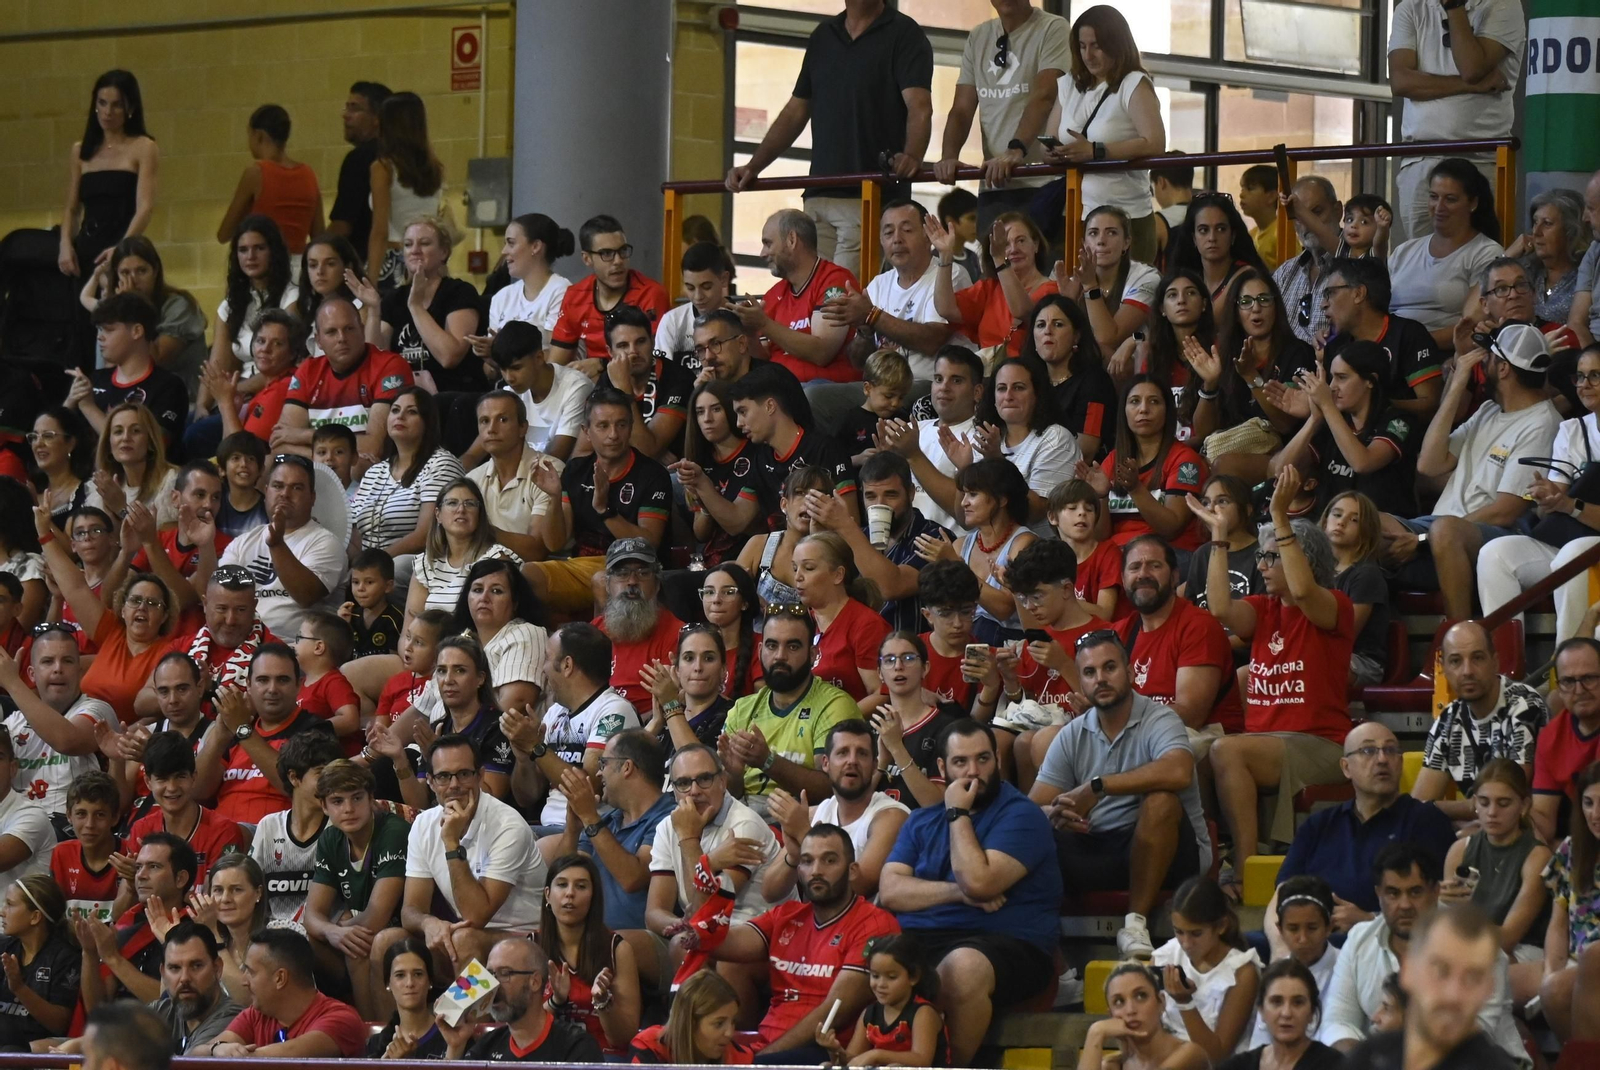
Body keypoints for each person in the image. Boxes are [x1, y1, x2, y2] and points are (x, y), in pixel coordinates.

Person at [1196, 467, 1356, 883]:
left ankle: (1246, 867)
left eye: (1273, 557)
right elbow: (1219, 609)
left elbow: (1303, 591)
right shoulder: (1264, 608)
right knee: (1191, 754)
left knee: (1226, 750)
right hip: (1269, 744)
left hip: (1320, 744)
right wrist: (1218, 537)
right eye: (1262, 557)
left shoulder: (1334, 605)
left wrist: (1280, 516)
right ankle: (1217, 855)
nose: (1263, 566)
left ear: (1303, 560)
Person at [878, 719, 1063, 1064]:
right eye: (961, 762)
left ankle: (950, 1066)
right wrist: (958, 893)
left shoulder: (1022, 815)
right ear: (942, 768)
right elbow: (890, 890)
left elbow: (979, 882)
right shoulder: (921, 820)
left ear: (998, 759)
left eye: (983, 759)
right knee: (866, 957)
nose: (974, 771)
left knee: (962, 967)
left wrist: (957, 813)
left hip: (1007, 942)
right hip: (924, 937)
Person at [1031, 632, 1209, 960]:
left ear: (1129, 673)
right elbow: (1030, 808)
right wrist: (1052, 813)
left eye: (1109, 667)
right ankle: (1050, 959)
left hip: (1167, 852)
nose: (1100, 678)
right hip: (1098, 847)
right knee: (1031, 830)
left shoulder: (1160, 718)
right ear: (1081, 683)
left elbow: (1179, 771)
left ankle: (1135, 925)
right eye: (1089, 672)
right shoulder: (1072, 733)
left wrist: (1097, 786)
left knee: (1161, 801)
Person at [725, 0, 932, 281]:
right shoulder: (824, 36)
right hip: (819, 195)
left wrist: (912, 156)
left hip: (868, 196)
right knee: (814, 293)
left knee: (842, 295)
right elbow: (796, 110)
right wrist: (754, 166)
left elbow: (919, 106)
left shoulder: (904, 34)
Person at [1385, 325, 1561, 622]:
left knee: (1445, 531)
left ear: (1503, 369)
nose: (1481, 363)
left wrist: (1424, 540)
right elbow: (1428, 464)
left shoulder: (1542, 422)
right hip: (1438, 528)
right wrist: (1456, 387)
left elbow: (1505, 511)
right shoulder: (1488, 410)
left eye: (1488, 357)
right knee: (1362, 522)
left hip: (1490, 536)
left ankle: (1460, 637)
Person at [708, 823, 899, 1059]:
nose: (816, 871)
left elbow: (835, 1013)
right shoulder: (786, 915)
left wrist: (760, 1062)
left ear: (852, 871)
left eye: (829, 861)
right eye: (807, 861)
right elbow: (715, 943)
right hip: (765, 1047)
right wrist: (707, 869)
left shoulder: (875, 924)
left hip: (823, 1051)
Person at [1320, 842, 1521, 1062]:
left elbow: (1469, 1035)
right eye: (1393, 893)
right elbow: (1337, 1022)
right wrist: (1364, 1062)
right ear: (1379, 894)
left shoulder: (1474, 946)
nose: (1405, 905)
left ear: (1435, 891)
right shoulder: (1360, 939)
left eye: (1415, 892)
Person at [1268, 721, 1455, 940]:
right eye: (1368, 751)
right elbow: (1283, 894)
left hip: (1387, 941)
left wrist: (1369, 921)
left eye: (1390, 750)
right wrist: (1280, 948)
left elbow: (1441, 906)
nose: (1382, 759)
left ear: (1400, 763)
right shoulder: (1318, 824)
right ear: (1346, 767)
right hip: (1311, 941)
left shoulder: (1426, 821)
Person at [1476, 342, 1600, 643]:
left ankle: (1567, 663)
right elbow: (1553, 509)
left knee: (1574, 554)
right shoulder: (1572, 430)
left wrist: (1570, 505)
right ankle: (1505, 663)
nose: (1584, 384)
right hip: (1572, 542)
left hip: (1581, 550)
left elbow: (1570, 505)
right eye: (1580, 376)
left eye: (1595, 376)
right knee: (1496, 552)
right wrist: (1547, 498)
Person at [390, 733, 546, 971]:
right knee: (387, 941)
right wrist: (428, 923)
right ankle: (435, 998)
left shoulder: (508, 825)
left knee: (464, 940)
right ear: (430, 782)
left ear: (480, 775)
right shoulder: (423, 825)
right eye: (443, 776)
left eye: (463, 774)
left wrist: (451, 843)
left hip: (527, 938)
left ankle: (464, 999)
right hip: (468, 934)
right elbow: (411, 909)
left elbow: (476, 915)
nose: (454, 785)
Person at [1387, 2, 1525, 243]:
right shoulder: (1410, 7)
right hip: (1420, 159)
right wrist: (1470, 86)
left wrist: (1454, 7)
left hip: (1482, 160)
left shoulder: (1503, 4)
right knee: (1421, 259)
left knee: (1483, 258)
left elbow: (1471, 68)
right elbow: (1400, 82)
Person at [525, 388, 671, 614]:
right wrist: (553, 497)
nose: (613, 434)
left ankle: (599, 637)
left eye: (621, 425)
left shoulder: (652, 475)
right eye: (603, 426)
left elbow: (649, 545)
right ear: (587, 431)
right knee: (527, 574)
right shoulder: (575, 470)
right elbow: (554, 543)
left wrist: (605, 510)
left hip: (632, 568)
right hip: (581, 566)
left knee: (601, 580)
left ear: (631, 427)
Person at [538, 730, 674, 971]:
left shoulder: (668, 818)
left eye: (603, 763)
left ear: (627, 767)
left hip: (650, 941)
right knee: (518, 953)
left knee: (603, 945)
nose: (599, 773)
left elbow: (633, 878)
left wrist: (590, 817)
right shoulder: (608, 821)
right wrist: (573, 828)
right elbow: (563, 876)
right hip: (594, 939)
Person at [38, 505, 182, 728]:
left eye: (153, 603)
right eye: (135, 600)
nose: (142, 607)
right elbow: (75, 588)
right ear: (122, 610)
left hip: (119, 738)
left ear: (164, 616)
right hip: (77, 721)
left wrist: (124, 736)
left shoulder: (167, 654)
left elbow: (162, 711)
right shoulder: (111, 631)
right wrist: (45, 535)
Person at [938, 1, 1071, 233]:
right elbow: (961, 109)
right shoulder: (979, 36)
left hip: (1043, 180)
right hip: (994, 184)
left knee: (1043, 256)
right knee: (993, 256)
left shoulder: (1053, 28)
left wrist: (1016, 150)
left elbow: (1044, 95)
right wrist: (948, 157)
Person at [719, 606, 862, 818]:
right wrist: (734, 775)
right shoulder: (742, 709)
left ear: (812, 655)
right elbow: (727, 793)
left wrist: (767, 761)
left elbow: (834, 788)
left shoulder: (834, 705)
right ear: (760, 651)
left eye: (793, 646)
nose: (780, 656)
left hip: (804, 820)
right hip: (742, 816)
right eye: (772, 645)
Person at [1343, 904, 1520, 1070]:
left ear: (1489, 989)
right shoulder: (1370, 1057)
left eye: (1473, 978)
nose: (1453, 994)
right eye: (1441, 972)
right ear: (1407, 971)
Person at [1052, 8, 1166, 262]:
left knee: (1128, 285)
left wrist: (1095, 151)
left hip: (1126, 215)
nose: (1088, 55)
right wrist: (1055, 153)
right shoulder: (1070, 84)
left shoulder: (1133, 83)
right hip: (1077, 213)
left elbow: (1156, 143)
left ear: (1116, 44)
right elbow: (1049, 137)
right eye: (1082, 46)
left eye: (1096, 46)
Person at [1114, 534, 1242, 747]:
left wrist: (1118, 718)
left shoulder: (1198, 626)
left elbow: (1190, 715)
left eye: (1154, 566)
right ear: (1123, 578)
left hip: (1202, 739)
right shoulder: (1120, 632)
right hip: (1139, 734)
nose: (1143, 574)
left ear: (1175, 577)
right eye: (1134, 567)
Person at [762, 719, 910, 901]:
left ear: (874, 766)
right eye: (842, 752)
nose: (852, 760)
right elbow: (769, 892)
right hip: (815, 918)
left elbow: (860, 887)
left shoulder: (891, 816)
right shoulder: (816, 814)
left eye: (862, 754)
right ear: (826, 763)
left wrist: (804, 837)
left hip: (864, 919)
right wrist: (793, 857)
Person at [824, 200, 966, 389]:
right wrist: (864, 330)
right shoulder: (878, 284)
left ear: (928, 237)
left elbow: (932, 341)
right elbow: (858, 362)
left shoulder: (950, 274)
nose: (897, 239)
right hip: (880, 389)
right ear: (882, 241)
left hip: (930, 386)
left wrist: (872, 315)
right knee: (816, 393)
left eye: (907, 230)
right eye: (888, 233)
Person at [191, 645, 338, 825]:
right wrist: (220, 736)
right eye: (262, 680)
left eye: (282, 680)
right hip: (222, 832)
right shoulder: (236, 728)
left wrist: (242, 729)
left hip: (274, 835)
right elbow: (197, 792)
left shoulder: (316, 729)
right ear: (248, 685)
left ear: (299, 685)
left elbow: (296, 787)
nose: (272, 689)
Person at [643, 743, 782, 933]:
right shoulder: (667, 827)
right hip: (700, 933)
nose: (694, 791)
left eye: (704, 779)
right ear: (673, 790)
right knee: (625, 941)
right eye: (683, 783)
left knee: (682, 944)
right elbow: (654, 913)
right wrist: (681, 927)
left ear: (723, 782)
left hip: (756, 931)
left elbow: (705, 909)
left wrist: (688, 838)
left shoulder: (744, 824)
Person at [1272, 342, 1418, 521]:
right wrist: (1314, 420)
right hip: (1330, 524)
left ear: (1370, 381)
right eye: (1331, 378)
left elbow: (1362, 463)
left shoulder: (1398, 420)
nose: (1332, 386)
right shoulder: (1332, 419)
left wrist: (1327, 405)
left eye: (1342, 377)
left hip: (1378, 524)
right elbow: (1281, 470)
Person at [1414, 622, 1546, 817]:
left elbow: (1504, 802)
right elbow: (1417, 808)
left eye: (1477, 658)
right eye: (1456, 661)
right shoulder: (1449, 719)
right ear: (1444, 668)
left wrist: (1446, 810)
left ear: (1495, 662)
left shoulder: (1523, 704)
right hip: (1481, 827)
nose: (1467, 671)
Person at [1439, 760, 1551, 979]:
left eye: (1503, 803)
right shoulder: (1459, 850)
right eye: (1484, 802)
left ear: (1524, 806)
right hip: (1470, 946)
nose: (1492, 812)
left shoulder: (1538, 857)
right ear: (1474, 803)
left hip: (1522, 953)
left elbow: (1507, 939)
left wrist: (1455, 925)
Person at [215, 455, 347, 638]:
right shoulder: (243, 542)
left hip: (293, 646)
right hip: (242, 641)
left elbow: (306, 596)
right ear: (266, 492)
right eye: (278, 486)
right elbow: (221, 593)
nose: (285, 494)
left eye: (297, 487)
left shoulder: (326, 543)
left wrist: (277, 545)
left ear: (312, 498)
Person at [0, 624, 116, 821]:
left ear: (80, 671)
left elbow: (67, 741)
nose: (58, 669)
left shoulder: (99, 711)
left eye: (67, 661)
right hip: (17, 826)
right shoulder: (13, 723)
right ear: (31, 674)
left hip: (74, 828)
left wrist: (12, 682)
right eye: (47, 661)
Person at [729, 209, 857, 386]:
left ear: (791, 240)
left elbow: (822, 353)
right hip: (779, 391)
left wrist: (764, 324)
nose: (762, 253)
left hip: (822, 389)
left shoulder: (835, 281)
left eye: (768, 243)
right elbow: (763, 362)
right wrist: (750, 334)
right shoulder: (773, 295)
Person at [194, 928, 367, 1058]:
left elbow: (287, 1057)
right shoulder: (256, 1015)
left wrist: (231, 1055)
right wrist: (216, 1048)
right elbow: (193, 1057)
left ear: (280, 978)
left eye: (251, 972)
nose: (244, 981)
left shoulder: (341, 1019)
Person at [1387, 160, 1506, 347]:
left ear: (1473, 203)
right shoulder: (1404, 251)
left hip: (1442, 353)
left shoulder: (1486, 252)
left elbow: (1474, 324)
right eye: (1434, 197)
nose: (1439, 206)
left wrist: (1412, 345)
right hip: (1391, 349)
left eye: (1450, 199)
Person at [274, 298, 413, 458]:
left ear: (362, 330)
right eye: (331, 332)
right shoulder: (308, 370)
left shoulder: (389, 366)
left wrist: (303, 435)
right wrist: (332, 458)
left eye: (349, 329)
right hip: (314, 470)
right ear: (318, 341)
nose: (342, 338)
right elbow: (280, 443)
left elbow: (374, 447)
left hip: (370, 472)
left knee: (358, 466)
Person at [58, 71, 157, 289]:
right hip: (86, 246)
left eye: (116, 105)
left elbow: (145, 207)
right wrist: (65, 245)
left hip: (122, 245)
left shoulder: (143, 147)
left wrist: (121, 249)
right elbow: (72, 208)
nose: (107, 112)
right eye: (102, 103)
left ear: (130, 108)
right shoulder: (80, 151)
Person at [920, 459, 1035, 645]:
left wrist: (958, 566)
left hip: (1009, 643)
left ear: (1002, 499)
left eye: (973, 494)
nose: (964, 503)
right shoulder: (959, 545)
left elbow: (1004, 609)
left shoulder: (1023, 543)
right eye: (964, 494)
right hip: (965, 638)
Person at [368, 218, 485, 399]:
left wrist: (416, 307)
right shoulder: (393, 299)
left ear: (443, 252)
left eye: (424, 243)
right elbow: (376, 361)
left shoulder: (459, 292)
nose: (415, 250)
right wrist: (373, 311)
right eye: (408, 244)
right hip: (404, 397)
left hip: (452, 395)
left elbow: (449, 356)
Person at [1311, 257, 1441, 420]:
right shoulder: (1333, 344)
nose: (1323, 304)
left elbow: (1431, 405)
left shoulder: (1408, 334)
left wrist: (1374, 404)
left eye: (1330, 293)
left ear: (1359, 293)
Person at [731, 363, 858, 529]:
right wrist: (702, 485)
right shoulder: (761, 459)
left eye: (743, 412)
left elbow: (851, 522)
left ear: (770, 406)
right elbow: (736, 521)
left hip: (822, 544)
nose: (739, 423)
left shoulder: (825, 450)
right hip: (781, 544)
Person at [1087, 375, 1207, 551]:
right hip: (1118, 554)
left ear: (1167, 411)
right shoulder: (1113, 459)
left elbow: (1171, 528)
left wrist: (1135, 488)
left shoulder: (1185, 460)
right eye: (1134, 401)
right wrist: (1101, 496)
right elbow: (1100, 537)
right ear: (1124, 411)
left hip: (1168, 554)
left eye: (1154, 401)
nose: (1143, 409)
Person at [537, 853, 642, 1054]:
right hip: (545, 1057)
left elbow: (624, 1038)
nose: (570, 893)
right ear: (547, 895)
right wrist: (556, 1002)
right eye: (562, 884)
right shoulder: (529, 947)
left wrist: (603, 1003)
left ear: (594, 897)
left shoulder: (618, 949)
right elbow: (519, 1028)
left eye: (581, 886)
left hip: (602, 1058)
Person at [1148, 877, 1260, 1061]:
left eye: (1196, 933)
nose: (1186, 943)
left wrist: (1185, 1003)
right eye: (1179, 931)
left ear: (1221, 926)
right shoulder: (1164, 957)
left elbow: (1215, 1057)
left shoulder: (1242, 973)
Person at [436, 938, 602, 1062]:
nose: (493, 985)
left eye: (505, 973)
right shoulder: (487, 1045)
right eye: (490, 975)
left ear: (535, 982)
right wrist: (455, 1047)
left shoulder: (576, 1046)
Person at [79, 237, 208, 395]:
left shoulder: (179, 306)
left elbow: (156, 361)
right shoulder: (114, 308)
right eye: (125, 273)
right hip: (128, 399)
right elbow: (109, 368)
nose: (133, 280)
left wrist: (132, 306)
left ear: (155, 271)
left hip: (179, 398)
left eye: (141, 271)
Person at [79, 833, 196, 1007]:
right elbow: (97, 1008)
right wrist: (89, 953)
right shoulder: (129, 923)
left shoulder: (194, 933)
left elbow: (176, 1003)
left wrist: (114, 959)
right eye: (139, 867)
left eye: (154, 867)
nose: (141, 875)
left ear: (180, 879)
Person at [125, 725, 246, 889]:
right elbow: (123, 903)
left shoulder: (224, 832)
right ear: (148, 782)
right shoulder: (141, 830)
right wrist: (131, 884)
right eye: (162, 779)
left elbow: (217, 900)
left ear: (193, 777)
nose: (172, 787)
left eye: (180, 777)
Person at [549, 215, 671, 368]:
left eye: (623, 251)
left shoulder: (651, 293)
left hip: (639, 377)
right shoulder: (575, 295)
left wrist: (602, 365)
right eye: (606, 253)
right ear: (587, 259)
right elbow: (556, 364)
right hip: (592, 379)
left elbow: (653, 359)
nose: (618, 261)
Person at [932, 212, 1057, 359]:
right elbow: (946, 309)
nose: (1014, 249)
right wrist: (945, 255)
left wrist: (1000, 259)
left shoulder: (1051, 290)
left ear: (1035, 245)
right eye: (1005, 244)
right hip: (988, 370)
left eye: (1021, 241)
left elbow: (1021, 311)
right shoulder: (989, 288)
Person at [249, 729, 342, 924]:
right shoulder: (269, 826)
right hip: (271, 936)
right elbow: (250, 889)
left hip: (322, 935)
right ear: (294, 777)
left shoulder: (339, 828)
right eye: (321, 773)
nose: (330, 782)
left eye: (333, 774)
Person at [867, 632, 965, 811]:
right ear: (880, 673)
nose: (898, 666)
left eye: (908, 658)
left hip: (922, 826)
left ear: (925, 668)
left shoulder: (947, 729)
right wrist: (881, 764)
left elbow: (937, 805)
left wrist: (897, 748)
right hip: (872, 824)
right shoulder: (870, 727)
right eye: (889, 660)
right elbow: (854, 806)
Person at [1539, 761, 1600, 1043]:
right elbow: (1558, 923)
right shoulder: (1572, 848)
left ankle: (1581, 1059)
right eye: (1588, 803)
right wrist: (1552, 971)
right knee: (1496, 979)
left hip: (1594, 961)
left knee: (1559, 990)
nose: (1595, 815)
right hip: (1575, 959)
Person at [81, 297, 191, 450]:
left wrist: (88, 407)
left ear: (137, 331)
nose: (100, 337)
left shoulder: (169, 386)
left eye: (109, 330)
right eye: (100, 329)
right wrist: (69, 403)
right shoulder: (95, 379)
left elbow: (153, 446)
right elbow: (60, 437)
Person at [464, 389, 558, 563]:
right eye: (484, 421)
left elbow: (537, 551)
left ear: (523, 428)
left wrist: (481, 529)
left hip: (531, 569)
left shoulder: (548, 471)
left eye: (503, 420)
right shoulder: (472, 480)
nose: (491, 429)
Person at [676, 380, 762, 567]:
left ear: (731, 410)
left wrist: (706, 488)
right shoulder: (700, 461)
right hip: (712, 556)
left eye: (716, 409)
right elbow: (700, 534)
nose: (707, 419)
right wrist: (705, 507)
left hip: (751, 552)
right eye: (700, 412)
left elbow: (738, 525)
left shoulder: (756, 452)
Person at [406, 477, 521, 617]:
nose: (461, 509)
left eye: (470, 504)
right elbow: (411, 626)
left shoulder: (496, 558)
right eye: (452, 503)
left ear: (479, 515)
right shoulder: (424, 564)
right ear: (438, 514)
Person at [216, 105, 323, 255]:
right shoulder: (308, 174)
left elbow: (224, 234)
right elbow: (320, 236)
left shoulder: (256, 173)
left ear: (258, 135)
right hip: (298, 264)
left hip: (266, 263)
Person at [208, 216, 299, 390]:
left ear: (274, 251)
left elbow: (281, 366)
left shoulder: (292, 297)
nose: (251, 256)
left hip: (277, 389)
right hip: (237, 392)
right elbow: (217, 370)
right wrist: (202, 403)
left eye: (259, 248)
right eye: (243, 250)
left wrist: (233, 392)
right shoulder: (228, 306)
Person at [365, 91, 443, 290]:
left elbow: (380, 231)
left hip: (395, 261)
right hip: (429, 262)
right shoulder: (435, 169)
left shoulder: (383, 168)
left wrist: (370, 282)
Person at [1251, 877, 1340, 1048]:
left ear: (1329, 927)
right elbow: (1260, 1044)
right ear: (1280, 929)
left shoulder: (1347, 968)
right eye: (1293, 928)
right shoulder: (1273, 976)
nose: (1303, 938)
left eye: (1312, 928)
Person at [0, 872, 79, 1049]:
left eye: (10, 905)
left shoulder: (65, 957)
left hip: (40, 1046)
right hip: (4, 1039)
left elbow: (58, 1024)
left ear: (35, 917)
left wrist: (19, 988)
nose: (2, 912)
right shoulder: (4, 947)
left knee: (9, 1045)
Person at [1079, 962, 1207, 1070]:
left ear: (1161, 1002)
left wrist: (1096, 1031)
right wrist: (1095, 1033)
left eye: (1141, 996)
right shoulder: (1114, 1064)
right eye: (1119, 1001)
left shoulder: (1190, 1054)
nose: (1130, 1010)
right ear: (1111, 1015)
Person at [1220, 958, 1343, 1070]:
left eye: (1298, 1003)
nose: (1286, 1013)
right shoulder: (1238, 1066)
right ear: (1261, 1010)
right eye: (1277, 1002)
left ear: (1312, 1012)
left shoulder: (1334, 1065)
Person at [1533, 640, 1600, 844]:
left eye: (1588, 678)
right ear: (1559, 690)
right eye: (1568, 681)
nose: (1579, 690)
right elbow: (1544, 820)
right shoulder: (1551, 738)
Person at [1168, 194, 1270, 317]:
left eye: (1221, 229)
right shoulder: (1189, 278)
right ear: (1194, 238)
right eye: (1203, 230)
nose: (1212, 238)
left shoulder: (1247, 278)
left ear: (1232, 235)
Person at [483, 212, 574, 345]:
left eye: (511, 243)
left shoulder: (562, 291)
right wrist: (490, 352)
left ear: (536, 246)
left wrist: (504, 352)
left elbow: (557, 353)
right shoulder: (502, 297)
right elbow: (491, 358)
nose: (504, 251)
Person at [629, 968, 754, 1064]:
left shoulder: (739, 1059)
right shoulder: (649, 1050)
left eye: (733, 1022)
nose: (729, 1033)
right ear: (689, 1023)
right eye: (719, 1024)